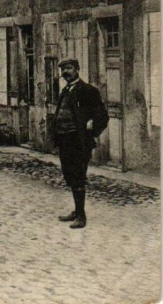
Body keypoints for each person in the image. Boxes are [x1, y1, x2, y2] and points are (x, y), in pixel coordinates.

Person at [52, 57, 108, 229]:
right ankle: (77, 211)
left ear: (77, 69)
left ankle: (81, 217)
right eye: (63, 70)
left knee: (78, 177)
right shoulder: (65, 91)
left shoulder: (88, 90)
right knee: (69, 175)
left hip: (78, 141)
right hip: (65, 140)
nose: (65, 73)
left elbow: (102, 116)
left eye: (68, 68)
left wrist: (92, 128)